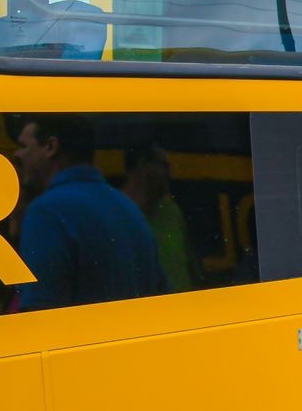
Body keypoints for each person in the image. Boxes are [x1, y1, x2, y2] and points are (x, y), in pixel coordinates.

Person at [12, 115, 167, 311]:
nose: (18, 155)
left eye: (24, 146)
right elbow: (160, 291)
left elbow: (40, 313)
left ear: (51, 147)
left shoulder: (46, 211)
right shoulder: (127, 208)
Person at [122, 143, 198, 294]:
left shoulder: (171, 210)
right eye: (163, 165)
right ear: (142, 165)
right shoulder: (116, 212)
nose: (169, 174)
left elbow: (189, 264)